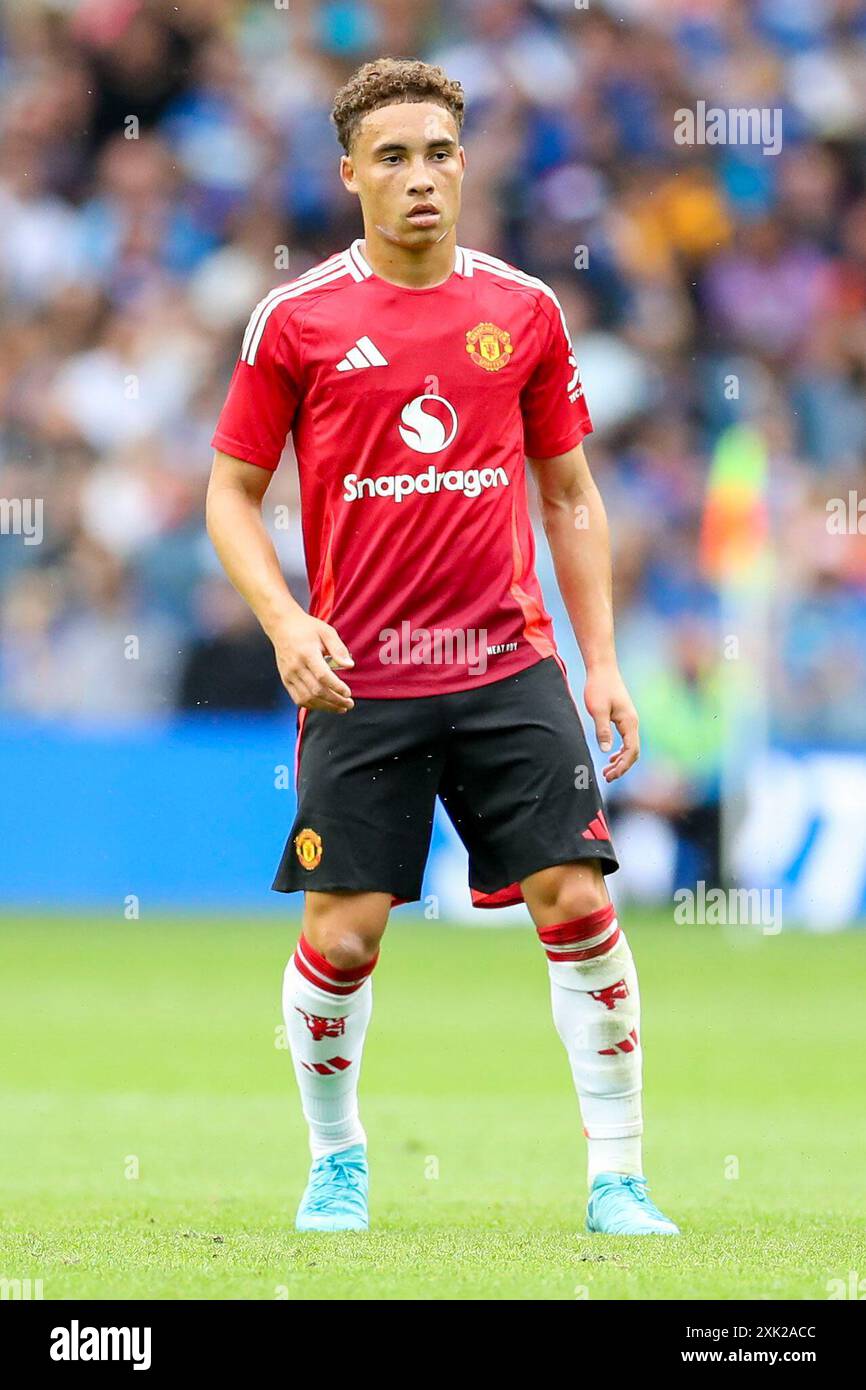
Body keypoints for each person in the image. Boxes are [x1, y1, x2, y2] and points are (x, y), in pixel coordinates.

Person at [206, 58, 678, 1237]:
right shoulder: (298, 319)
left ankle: (617, 1174)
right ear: (351, 174)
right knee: (343, 933)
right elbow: (228, 494)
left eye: (440, 154)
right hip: (362, 672)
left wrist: (602, 659)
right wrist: (285, 620)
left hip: (508, 662)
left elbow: (567, 494)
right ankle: (335, 1162)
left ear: (463, 164)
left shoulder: (521, 309)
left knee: (574, 899)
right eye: (395, 157)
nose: (421, 178)